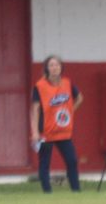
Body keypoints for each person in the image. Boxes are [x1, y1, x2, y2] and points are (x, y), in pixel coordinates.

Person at [30, 55, 83, 193]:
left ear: (61, 67)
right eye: (51, 65)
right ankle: (47, 191)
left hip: (64, 131)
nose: (54, 68)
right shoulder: (40, 86)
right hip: (46, 130)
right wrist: (35, 132)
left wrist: (70, 110)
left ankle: (76, 189)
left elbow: (79, 98)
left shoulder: (67, 82)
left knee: (72, 160)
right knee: (45, 163)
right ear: (47, 68)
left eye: (57, 65)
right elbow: (35, 109)